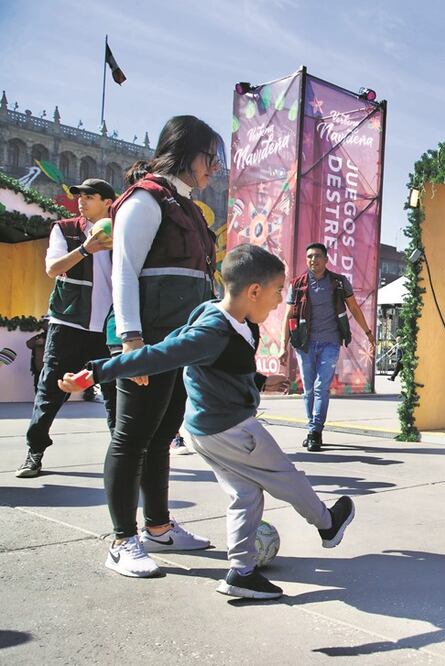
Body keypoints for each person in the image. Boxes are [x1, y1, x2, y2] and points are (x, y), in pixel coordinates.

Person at [59, 244, 356, 597]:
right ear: (254, 291)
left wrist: (260, 380)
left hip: (206, 431)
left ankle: (241, 574)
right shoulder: (214, 331)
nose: (281, 300)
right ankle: (327, 523)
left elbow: (206, 357)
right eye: (278, 291)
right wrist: (96, 372)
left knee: (245, 494)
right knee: (286, 477)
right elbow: (165, 352)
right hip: (232, 429)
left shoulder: (217, 315)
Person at [102, 115, 221, 576]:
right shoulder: (147, 199)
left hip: (176, 345)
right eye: (208, 157)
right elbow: (124, 270)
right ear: (183, 152)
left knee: (161, 437)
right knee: (131, 437)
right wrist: (132, 340)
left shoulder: (186, 205)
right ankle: (122, 540)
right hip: (145, 341)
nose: (214, 167)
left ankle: (158, 528)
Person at [16, 179, 118, 478]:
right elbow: (53, 268)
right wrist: (86, 248)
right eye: (80, 197)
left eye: (90, 197)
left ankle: (123, 460)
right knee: (49, 392)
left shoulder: (123, 232)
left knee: (115, 395)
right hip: (68, 323)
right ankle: (34, 451)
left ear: (108, 202)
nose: (81, 201)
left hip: (110, 328)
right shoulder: (65, 229)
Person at [284, 243, 375, 452]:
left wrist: (368, 333)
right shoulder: (298, 284)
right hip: (304, 344)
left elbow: (353, 307)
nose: (312, 260)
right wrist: (283, 345)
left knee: (320, 387)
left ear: (326, 259)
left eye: (317, 256)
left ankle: (315, 431)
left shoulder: (338, 282)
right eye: (309, 257)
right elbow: (289, 315)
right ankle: (312, 428)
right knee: (308, 390)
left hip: (330, 342)